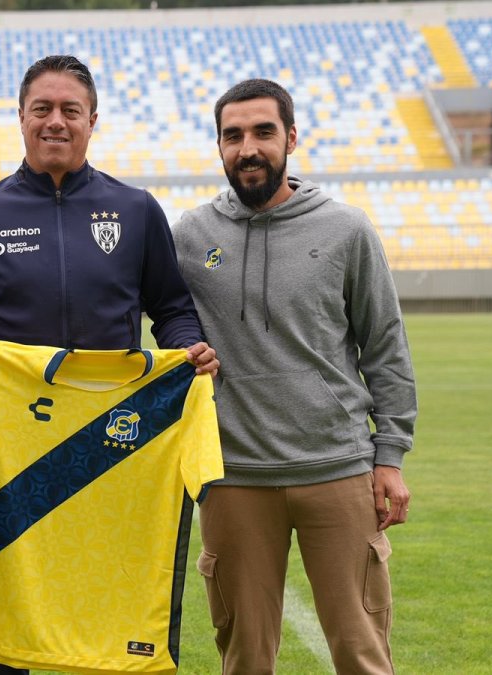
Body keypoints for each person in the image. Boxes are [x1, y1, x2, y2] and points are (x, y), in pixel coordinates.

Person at [0, 54, 218, 675]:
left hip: (113, 444)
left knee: (107, 597)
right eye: (43, 109)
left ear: (92, 121)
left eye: (70, 110)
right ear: (22, 118)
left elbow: (170, 308)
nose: (55, 121)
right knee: (5, 611)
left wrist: (189, 348)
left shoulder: (136, 210)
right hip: (15, 447)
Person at [172, 78, 417, 675]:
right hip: (232, 479)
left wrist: (390, 457)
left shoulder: (346, 229)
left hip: (337, 471)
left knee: (362, 654)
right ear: (219, 145)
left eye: (263, 132)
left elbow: (385, 347)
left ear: (291, 137)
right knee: (245, 659)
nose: (248, 147)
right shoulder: (188, 236)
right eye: (233, 136)